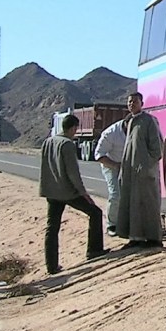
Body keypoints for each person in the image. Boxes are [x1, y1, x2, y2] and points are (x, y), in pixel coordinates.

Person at [39, 114, 107, 274]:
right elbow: (73, 174)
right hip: (68, 192)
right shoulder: (67, 145)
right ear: (72, 128)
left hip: (51, 191)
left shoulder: (48, 141)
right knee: (95, 213)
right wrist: (84, 194)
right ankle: (94, 250)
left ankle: (51, 265)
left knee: (52, 227)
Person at [115, 92, 164, 249]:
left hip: (145, 174)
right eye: (129, 102)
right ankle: (135, 238)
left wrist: (146, 166)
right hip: (131, 173)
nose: (131, 104)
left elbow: (157, 150)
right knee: (132, 205)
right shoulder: (129, 122)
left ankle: (153, 239)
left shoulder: (149, 121)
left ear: (141, 103)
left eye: (135, 102)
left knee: (148, 206)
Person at [94, 118, 126, 236]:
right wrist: (115, 166)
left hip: (126, 165)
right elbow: (99, 155)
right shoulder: (111, 133)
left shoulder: (136, 131)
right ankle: (111, 224)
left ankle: (126, 222)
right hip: (110, 164)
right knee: (115, 194)